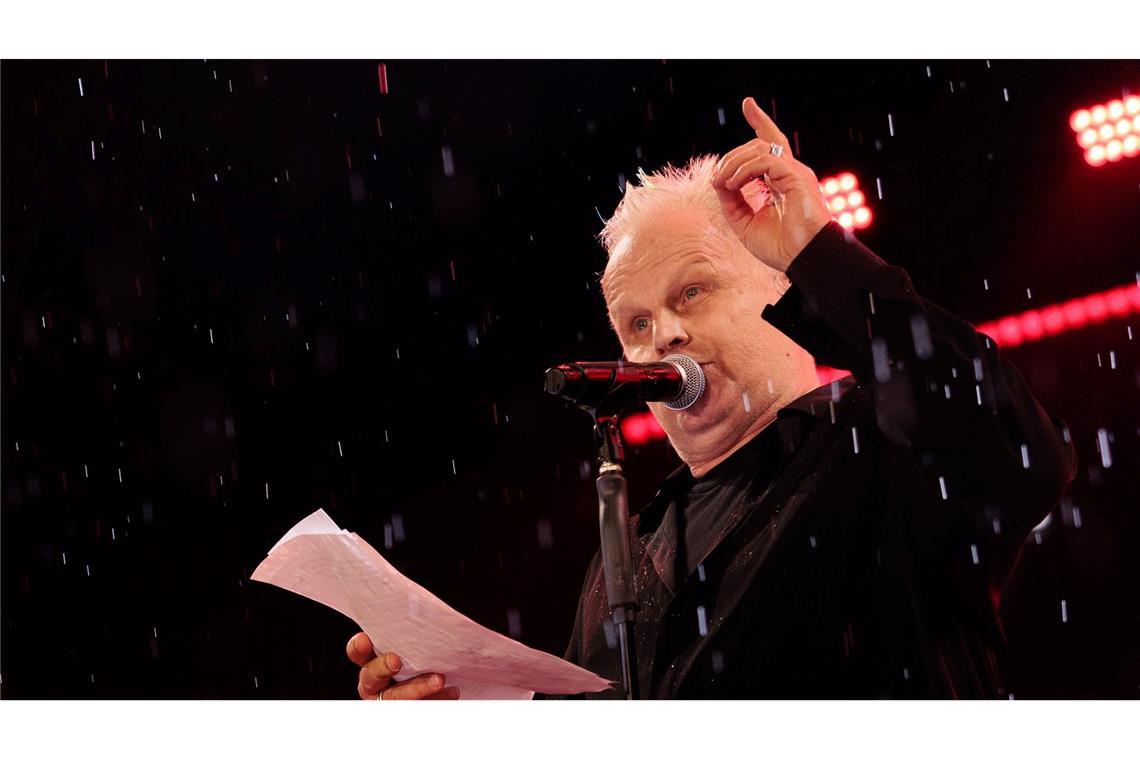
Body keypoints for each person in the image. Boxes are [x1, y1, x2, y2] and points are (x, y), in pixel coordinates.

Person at [346, 96, 1077, 699]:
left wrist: (816, 247)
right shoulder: (622, 554)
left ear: (780, 287)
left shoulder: (882, 441)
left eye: (691, 292)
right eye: (636, 324)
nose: (663, 334)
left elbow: (1018, 447)